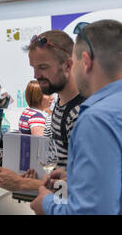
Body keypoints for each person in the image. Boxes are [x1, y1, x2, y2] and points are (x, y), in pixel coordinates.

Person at [31, 19, 122, 215]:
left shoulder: (96, 119)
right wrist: (74, 178)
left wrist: (46, 204)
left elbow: (93, 211)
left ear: (86, 62)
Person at [0, 30, 84, 191]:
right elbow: (63, 173)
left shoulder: (81, 113)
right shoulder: (60, 103)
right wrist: (41, 179)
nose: (36, 75)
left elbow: (83, 190)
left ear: (68, 65)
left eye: (43, 67)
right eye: (34, 67)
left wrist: (22, 184)